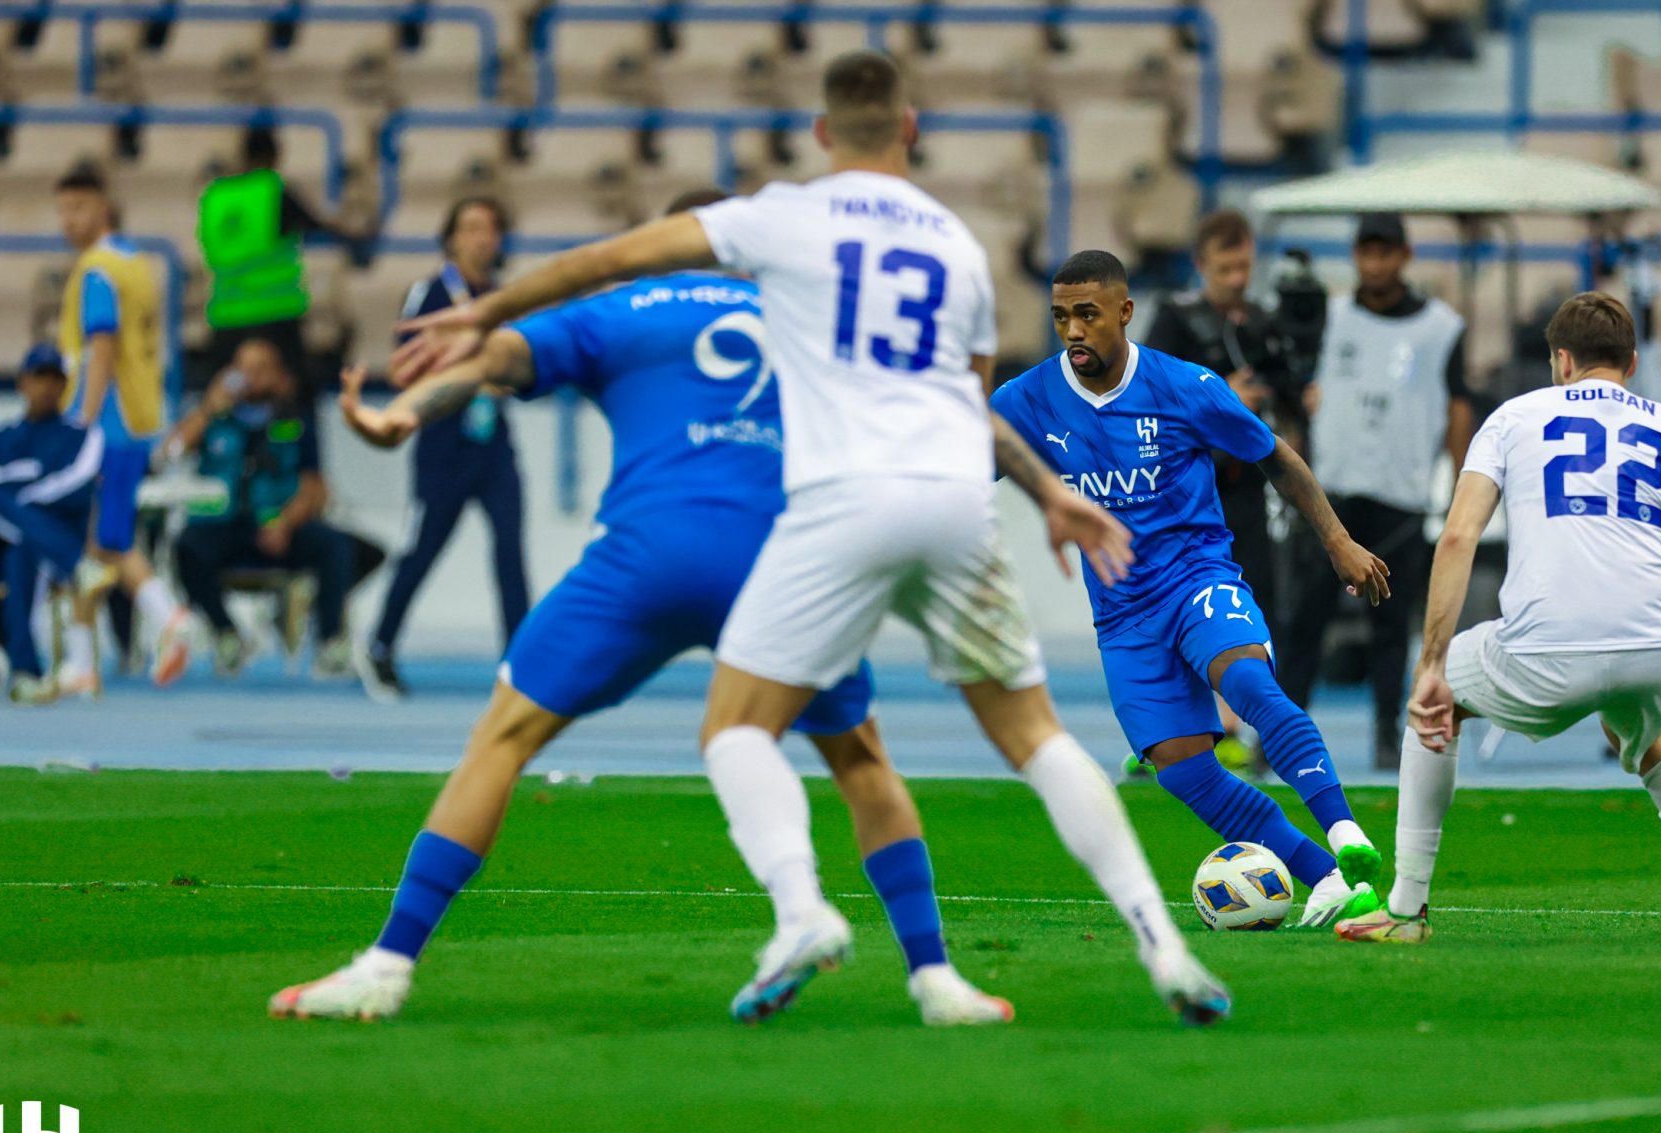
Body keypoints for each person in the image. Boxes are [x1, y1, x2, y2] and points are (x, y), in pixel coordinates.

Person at [393, 50, 1234, 1027]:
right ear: (911, 129)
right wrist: (1049, 492)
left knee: (735, 727)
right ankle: (1162, 945)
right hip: (956, 503)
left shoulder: (784, 217)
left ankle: (800, 911)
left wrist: (488, 305)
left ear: (824, 133)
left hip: (844, 500)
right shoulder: (958, 245)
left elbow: (616, 260)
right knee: (1034, 735)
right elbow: (965, 402)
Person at [272, 191, 1011, 1027]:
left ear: (667, 246)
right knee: (862, 761)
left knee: (503, 738)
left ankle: (387, 965)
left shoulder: (621, 307)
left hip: (649, 555)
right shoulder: (813, 319)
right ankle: (936, 980)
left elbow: (496, 359)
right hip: (783, 562)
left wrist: (399, 411)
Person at [1337, 292, 1661, 947]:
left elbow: (1459, 537)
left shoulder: (1514, 417)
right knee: (1644, 734)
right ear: (1632, 362)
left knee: (1435, 706)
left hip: (1544, 648)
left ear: (1562, 361)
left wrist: (1432, 664)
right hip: (1651, 649)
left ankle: (1406, 909)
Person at [992, 250, 1393, 926]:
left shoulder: (1186, 386)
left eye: (1087, 314)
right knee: (1182, 769)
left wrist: (1339, 541)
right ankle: (1323, 876)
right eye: (1061, 317)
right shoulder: (1026, 400)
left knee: (1249, 687)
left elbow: (1277, 458)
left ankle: (1346, 833)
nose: (1073, 331)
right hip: (1122, 615)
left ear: (1125, 311)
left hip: (1198, 577)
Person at [1280, 211, 1475, 770]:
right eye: (1367, 251)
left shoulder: (1441, 327)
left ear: (1404, 256)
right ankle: (1285, 735)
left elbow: (1459, 405)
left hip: (1400, 494)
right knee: (1304, 623)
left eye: (1386, 252)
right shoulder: (1329, 317)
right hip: (1331, 494)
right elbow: (1300, 390)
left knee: (1391, 629)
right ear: (1356, 255)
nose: (1376, 263)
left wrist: (1461, 482)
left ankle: (1390, 738)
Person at [364, 196, 530, 700]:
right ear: (451, 238)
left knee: (509, 552)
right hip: (442, 444)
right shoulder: (430, 293)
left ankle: (519, 665)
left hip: (493, 444)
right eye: (472, 228)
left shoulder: (502, 298)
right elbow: (406, 362)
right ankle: (380, 646)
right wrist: (470, 377)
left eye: (491, 228)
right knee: (422, 549)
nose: (483, 238)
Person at [1143, 209, 1286, 769]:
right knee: (1177, 607)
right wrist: (1222, 399)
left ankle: (1252, 732)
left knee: (1252, 607)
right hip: (1185, 492)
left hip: (1247, 490)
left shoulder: (1264, 324)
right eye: (1225, 268)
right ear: (1202, 266)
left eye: (1244, 266)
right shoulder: (1174, 323)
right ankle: (1179, 731)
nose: (1236, 278)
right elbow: (1147, 402)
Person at [53, 165, 194, 698]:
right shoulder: (138, 264)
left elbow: (102, 346)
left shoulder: (97, 271)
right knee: (91, 544)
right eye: (63, 210)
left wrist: (81, 423)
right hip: (138, 418)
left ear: (104, 206)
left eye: (77, 208)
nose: (68, 221)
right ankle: (84, 665)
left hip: (104, 425)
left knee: (107, 541)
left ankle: (169, 616)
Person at [165, 338, 360, 679]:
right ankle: (226, 633)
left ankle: (330, 640)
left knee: (334, 546)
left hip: (278, 527)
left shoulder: (295, 421)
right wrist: (209, 408)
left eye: (259, 370)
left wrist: (285, 523)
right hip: (225, 525)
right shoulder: (215, 416)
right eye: (243, 369)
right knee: (186, 546)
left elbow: (315, 487)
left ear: (277, 375)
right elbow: (171, 452)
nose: (250, 377)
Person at [196, 125, 370, 409]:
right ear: (276, 155)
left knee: (224, 400)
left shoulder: (215, 196)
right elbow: (316, 225)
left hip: (225, 315)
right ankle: (300, 451)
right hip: (274, 313)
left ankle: (221, 452)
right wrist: (356, 236)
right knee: (293, 397)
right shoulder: (271, 189)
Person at [0, 344, 110, 700]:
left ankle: (26, 673)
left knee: (21, 549)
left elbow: (75, 488)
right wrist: (21, 482)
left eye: (55, 379)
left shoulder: (82, 436)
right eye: (39, 378)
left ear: (65, 386)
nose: (47, 387)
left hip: (44, 544)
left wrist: (4, 483)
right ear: (22, 383)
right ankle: (78, 566)